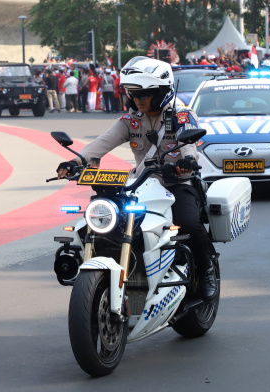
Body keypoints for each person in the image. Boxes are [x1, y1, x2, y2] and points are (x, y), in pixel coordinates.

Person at [55, 57, 218, 302]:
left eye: (144, 94)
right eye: (133, 94)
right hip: (142, 185)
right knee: (106, 219)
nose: (137, 99)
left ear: (161, 92)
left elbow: (188, 146)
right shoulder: (130, 119)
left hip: (177, 184)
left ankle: (206, 271)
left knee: (188, 222)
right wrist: (75, 162)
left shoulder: (181, 114)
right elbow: (102, 142)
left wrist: (187, 163)